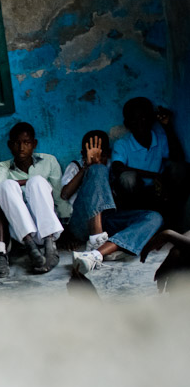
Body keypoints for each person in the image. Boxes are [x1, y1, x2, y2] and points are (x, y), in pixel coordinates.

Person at [62, 131, 163, 275]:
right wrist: (88, 168)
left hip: (108, 222)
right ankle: (97, 239)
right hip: (81, 222)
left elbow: (118, 202)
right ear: (83, 153)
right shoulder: (76, 165)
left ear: (108, 153)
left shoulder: (111, 166)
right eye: (91, 154)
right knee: (97, 169)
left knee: (154, 217)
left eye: (101, 154)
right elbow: (65, 194)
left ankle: (95, 254)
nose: (97, 158)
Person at [0, 122, 68, 273]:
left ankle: (50, 247)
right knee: (6, 186)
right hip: (23, 232)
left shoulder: (49, 161)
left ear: (34, 144)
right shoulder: (4, 166)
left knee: (37, 181)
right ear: (10, 146)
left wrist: (67, 226)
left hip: (48, 228)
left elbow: (58, 195)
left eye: (26, 142)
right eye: (17, 143)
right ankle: (31, 249)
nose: (21, 147)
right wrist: (24, 182)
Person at [111, 97, 188, 229]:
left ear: (151, 120)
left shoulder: (159, 139)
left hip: (159, 192)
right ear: (127, 124)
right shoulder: (122, 144)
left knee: (181, 168)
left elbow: (178, 158)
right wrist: (155, 176)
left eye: (144, 118)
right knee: (127, 178)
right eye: (134, 120)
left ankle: (176, 222)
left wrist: (167, 126)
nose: (140, 124)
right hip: (136, 195)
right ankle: (137, 221)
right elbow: (117, 167)